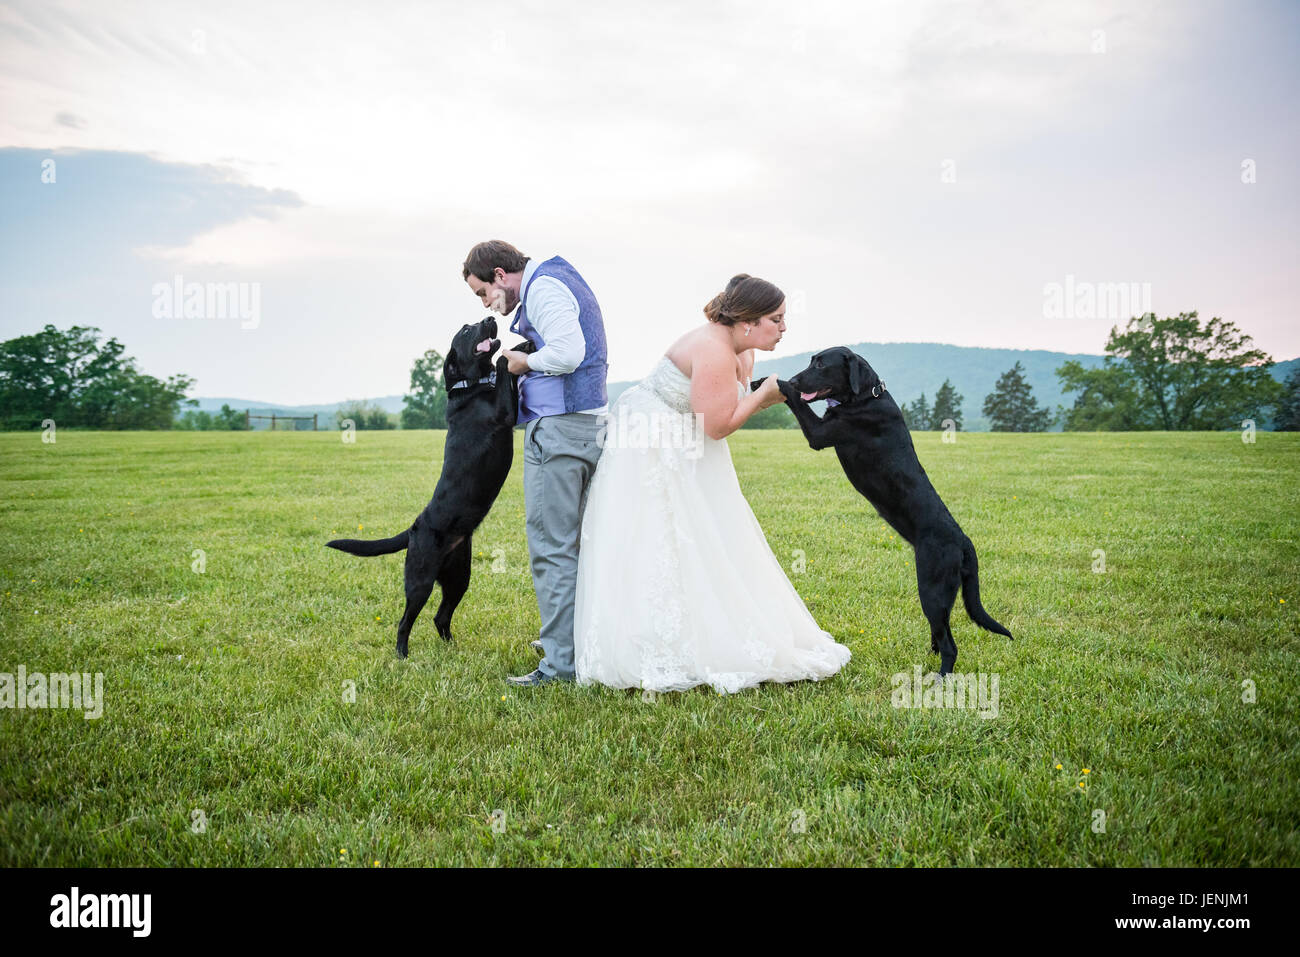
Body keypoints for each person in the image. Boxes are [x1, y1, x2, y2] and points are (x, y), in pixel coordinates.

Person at [573, 274, 852, 693]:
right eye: (776, 319)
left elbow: (721, 410)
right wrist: (763, 397)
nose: (783, 327)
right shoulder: (714, 350)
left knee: (710, 531)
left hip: (688, 434)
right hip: (652, 438)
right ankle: (654, 639)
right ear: (748, 322)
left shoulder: (742, 349)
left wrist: (760, 393)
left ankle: (716, 624)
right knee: (660, 535)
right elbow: (718, 425)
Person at [463, 240, 608, 686]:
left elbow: (568, 353)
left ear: (500, 276)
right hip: (589, 424)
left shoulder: (543, 287)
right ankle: (571, 640)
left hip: (560, 430)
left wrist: (523, 362)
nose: (487, 302)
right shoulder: (560, 277)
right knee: (577, 544)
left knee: (552, 548)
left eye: (482, 292)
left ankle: (560, 664)